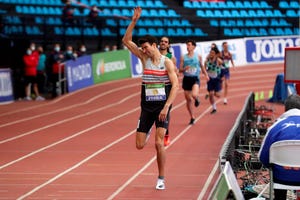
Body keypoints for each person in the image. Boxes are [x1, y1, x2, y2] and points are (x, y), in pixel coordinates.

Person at [122, 7, 179, 190]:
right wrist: (134, 21)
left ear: (154, 46)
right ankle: (146, 130)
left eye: (146, 47)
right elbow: (126, 41)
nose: (143, 50)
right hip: (146, 107)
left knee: (158, 142)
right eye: (142, 48)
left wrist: (166, 107)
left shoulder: (167, 62)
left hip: (162, 107)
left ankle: (161, 178)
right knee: (139, 145)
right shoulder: (143, 58)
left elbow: (175, 85)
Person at [258, 94, 300, 200]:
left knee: (277, 168)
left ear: (285, 109)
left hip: (281, 179)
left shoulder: (275, 127)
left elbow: (262, 157)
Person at [179, 39, 209, 124]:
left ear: (194, 46)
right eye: (187, 45)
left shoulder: (198, 56)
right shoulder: (183, 57)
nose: (188, 47)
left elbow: (202, 66)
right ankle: (192, 117)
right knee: (188, 100)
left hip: (195, 78)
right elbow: (180, 69)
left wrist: (206, 75)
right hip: (186, 79)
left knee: (194, 94)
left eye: (189, 45)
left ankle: (197, 99)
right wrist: (184, 69)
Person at [159, 36, 177, 146]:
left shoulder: (171, 58)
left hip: (167, 87)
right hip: (155, 87)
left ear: (168, 45)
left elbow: (175, 73)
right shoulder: (154, 56)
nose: (163, 43)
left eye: (165, 42)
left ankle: (166, 134)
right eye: (161, 41)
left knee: (166, 111)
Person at [204, 47, 223, 114]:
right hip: (210, 80)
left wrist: (221, 74)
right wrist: (206, 75)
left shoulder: (218, 60)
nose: (211, 54)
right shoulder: (206, 61)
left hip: (217, 79)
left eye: (213, 53)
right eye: (210, 53)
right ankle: (214, 107)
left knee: (217, 95)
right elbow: (204, 70)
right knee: (211, 94)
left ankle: (217, 91)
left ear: (215, 54)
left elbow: (223, 67)